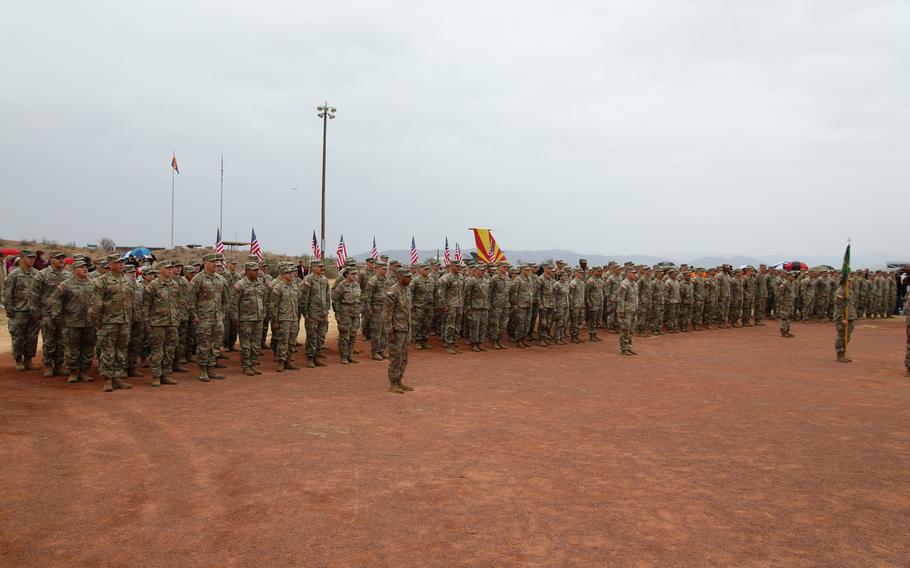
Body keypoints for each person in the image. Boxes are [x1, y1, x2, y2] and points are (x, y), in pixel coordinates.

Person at [92, 254, 135, 392]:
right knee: (108, 351)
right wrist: (97, 322)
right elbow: (96, 304)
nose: (121, 264)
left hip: (124, 321)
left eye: (122, 262)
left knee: (121, 351)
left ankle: (118, 377)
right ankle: (107, 380)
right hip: (108, 322)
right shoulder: (101, 281)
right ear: (110, 265)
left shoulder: (127, 280)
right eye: (117, 262)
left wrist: (131, 318)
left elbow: (131, 301)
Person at [50, 259, 96, 384]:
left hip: (89, 322)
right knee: (72, 349)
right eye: (81, 267)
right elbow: (55, 300)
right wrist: (58, 318)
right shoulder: (66, 285)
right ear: (74, 269)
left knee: (88, 348)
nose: (85, 269)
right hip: (72, 322)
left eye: (86, 267)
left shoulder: (93, 284)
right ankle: (73, 372)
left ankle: (84, 372)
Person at [188, 254, 229, 381]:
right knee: (204, 345)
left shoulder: (221, 280)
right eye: (212, 262)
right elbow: (190, 300)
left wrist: (222, 315)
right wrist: (194, 316)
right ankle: (203, 371)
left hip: (217, 319)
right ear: (205, 263)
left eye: (217, 262)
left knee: (216, 345)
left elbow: (225, 300)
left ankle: (211, 369)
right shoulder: (198, 279)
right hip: (203, 319)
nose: (215, 264)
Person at [141, 261, 181, 387]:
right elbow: (145, 305)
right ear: (160, 270)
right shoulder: (153, 285)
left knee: (170, 350)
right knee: (157, 351)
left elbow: (177, 303)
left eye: (171, 268)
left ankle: (165, 374)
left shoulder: (174, 285)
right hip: (157, 323)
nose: (170, 270)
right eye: (167, 268)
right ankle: (156, 376)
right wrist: (147, 323)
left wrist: (177, 319)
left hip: (172, 322)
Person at [32, 250, 71, 377]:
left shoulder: (68, 275)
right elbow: (34, 295)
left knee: (61, 341)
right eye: (58, 258)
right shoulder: (41, 275)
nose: (61, 260)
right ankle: (48, 365)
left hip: (63, 314)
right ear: (51, 259)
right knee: (49, 341)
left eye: (63, 258)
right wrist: (36, 312)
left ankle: (59, 365)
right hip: (47, 313)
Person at [2, 249, 40, 370]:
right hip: (18, 311)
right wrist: (9, 311)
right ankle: (18, 360)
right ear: (22, 258)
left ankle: (28, 360)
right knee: (18, 337)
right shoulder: (14, 274)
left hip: (33, 312)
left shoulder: (37, 274)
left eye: (33, 257)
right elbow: (7, 294)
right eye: (29, 257)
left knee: (32, 337)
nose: (32, 259)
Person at [233, 262, 266, 376]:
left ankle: (253, 364)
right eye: (254, 270)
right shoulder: (240, 285)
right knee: (246, 345)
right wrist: (236, 318)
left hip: (258, 319)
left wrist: (263, 314)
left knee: (256, 344)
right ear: (247, 271)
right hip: (245, 319)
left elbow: (264, 300)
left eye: (257, 270)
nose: (257, 272)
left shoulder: (260, 284)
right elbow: (234, 303)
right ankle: (246, 366)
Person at [384, 267, 414, 394]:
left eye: (410, 276)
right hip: (397, 329)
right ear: (399, 276)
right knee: (395, 356)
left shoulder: (407, 289)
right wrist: (390, 331)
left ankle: (400, 380)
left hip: (406, 328)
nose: (409, 278)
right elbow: (387, 312)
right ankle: (393, 383)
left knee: (404, 356)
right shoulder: (393, 291)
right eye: (407, 276)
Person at [269, 265, 300, 372]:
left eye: (291, 273)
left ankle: (288, 361)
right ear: (283, 275)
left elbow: (298, 302)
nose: (291, 275)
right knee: (283, 341)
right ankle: (281, 362)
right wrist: (275, 320)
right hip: (283, 319)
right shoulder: (278, 288)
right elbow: (273, 306)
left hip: (294, 318)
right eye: (288, 273)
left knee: (292, 341)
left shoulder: (295, 286)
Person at [300, 260, 330, 368]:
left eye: (322, 266)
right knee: (312, 336)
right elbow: (304, 297)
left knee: (321, 336)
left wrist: (327, 310)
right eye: (319, 266)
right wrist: (305, 312)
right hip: (312, 313)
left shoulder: (324, 280)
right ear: (313, 268)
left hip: (323, 313)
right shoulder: (308, 280)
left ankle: (317, 356)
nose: (322, 268)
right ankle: (310, 358)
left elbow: (327, 296)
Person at [332, 266, 362, 364]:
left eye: (355, 274)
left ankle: (350, 355)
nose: (354, 275)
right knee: (345, 336)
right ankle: (344, 356)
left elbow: (359, 299)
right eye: (352, 274)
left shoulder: (357, 285)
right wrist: (337, 313)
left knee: (353, 335)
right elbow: (335, 300)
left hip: (355, 314)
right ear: (347, 274)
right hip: (345, 314)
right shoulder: (341, 285)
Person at [436, 262, 465, 354]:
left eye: (459, 266)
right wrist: (443, 305)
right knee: (450, 326)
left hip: (459, 305)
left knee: (457, 326)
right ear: (452, 266)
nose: (458, 268)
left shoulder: (461, 277)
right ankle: (449, 344)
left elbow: (463, 291)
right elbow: (441, 293)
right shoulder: (445, 278)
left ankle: (454, 343)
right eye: (457, 266)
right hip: (450, 305)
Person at [410, 263, 435, 350]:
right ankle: (418, 341)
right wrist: (411, 305)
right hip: (418, 306)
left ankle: (425, 341)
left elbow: (434, 293)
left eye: (428, 269)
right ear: (420, 270)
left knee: (427, 324)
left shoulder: (431, 280)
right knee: (418, 324)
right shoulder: (415, 280)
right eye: (425, 269)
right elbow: (410, 293)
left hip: (429, 306)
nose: (426, 271)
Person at [617, 268, 640, 355]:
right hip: (626, 311)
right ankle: (624, 348)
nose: (635, 275)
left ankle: (629, 347)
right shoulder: (624, 284)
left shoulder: (635, 284)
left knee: (631, 330)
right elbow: (620, 298)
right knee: (625, 329)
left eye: (635, 273)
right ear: (628, 274)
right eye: (633, 273)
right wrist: (621, 310)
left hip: (633, 310)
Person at [834, 277, 856, 363]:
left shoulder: (850, 291)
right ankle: (840, 354)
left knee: (847, 337)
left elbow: (851, 304)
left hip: (850, 316)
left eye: (850, 281)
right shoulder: (840, 291)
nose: (850, 283)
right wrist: (841, 318)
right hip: (842, 318)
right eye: (848, 281)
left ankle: (843, 353)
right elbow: (838, 306)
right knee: (841, 336)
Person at [778, 272, 796, 338]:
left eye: (794, 276)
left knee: (788, 318)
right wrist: (782, 303)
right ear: (788, 276)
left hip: (790, 303)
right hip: (785, 303)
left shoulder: (792, 284)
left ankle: (787, 331)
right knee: (784, 318)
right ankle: (783, 332)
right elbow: (780, 294)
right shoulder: (784, 284)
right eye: (792, 276)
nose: (793, 277)